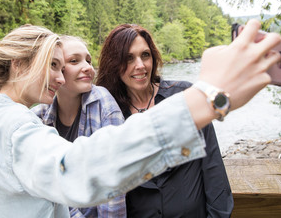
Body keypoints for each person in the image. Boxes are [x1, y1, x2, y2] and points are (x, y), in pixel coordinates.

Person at [0, 20, 281, 218]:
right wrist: (205, 99)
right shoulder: (16, 125)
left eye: (64, 66)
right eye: (53, 65)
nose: (60, 78)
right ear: (18, 66)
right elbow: (75, 170)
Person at [96, 23, 234, 217]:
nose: (140, 65)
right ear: (114, 64)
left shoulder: (185, 97)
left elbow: (213, 170)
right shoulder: (111, 115)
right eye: (128, 58)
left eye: (145, 55)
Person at [31, 35, 126, 217]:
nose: (88, 68)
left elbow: (114, 183)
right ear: (55, 69)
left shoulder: (103, 104)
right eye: (74, 61)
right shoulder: (39, 117)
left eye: (88, 61)